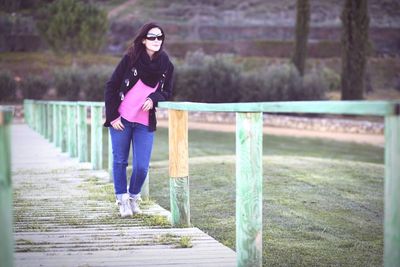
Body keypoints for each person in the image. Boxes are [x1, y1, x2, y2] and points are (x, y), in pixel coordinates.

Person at [104, 22, 174, 218]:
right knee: (120, 161)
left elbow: (167, 92)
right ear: (144, 39)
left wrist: (154, 98)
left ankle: (134, 197)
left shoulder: (166, 65)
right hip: (122, 119)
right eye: (152, 37)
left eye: (160, 37)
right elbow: (111, 86)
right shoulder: (131, 58)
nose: (156, 41)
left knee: (142, 166)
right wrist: (112, 116)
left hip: (144, 122)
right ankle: (122, 200)